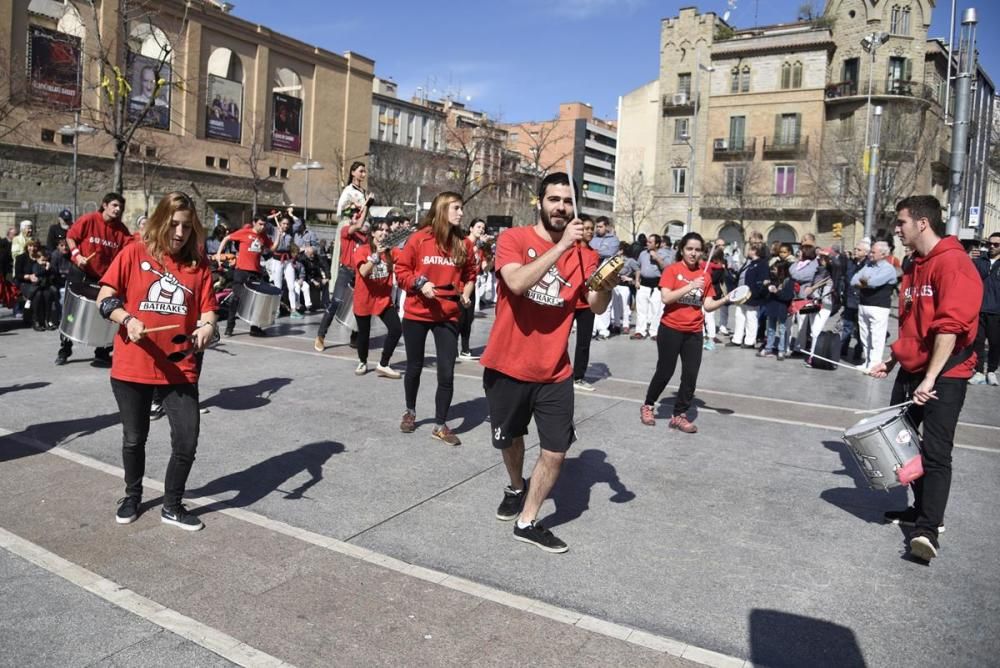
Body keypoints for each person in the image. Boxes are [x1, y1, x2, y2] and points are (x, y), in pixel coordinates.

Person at [481, 171, 614, 553]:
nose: (561, 207)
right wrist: (560, 249)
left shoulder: (586, 256)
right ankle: (516, 485)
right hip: (507, 365)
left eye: (567, 201)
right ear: (539, 201)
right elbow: (518, 283)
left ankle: (528, 520)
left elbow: (596, 307)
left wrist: (605, 283)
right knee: (511, 439)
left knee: (555, 450)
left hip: (555, 371)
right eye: (554, 199)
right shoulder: (513, 239)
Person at [97, 191, 218, 531]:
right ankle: (132, 495)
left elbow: (208, 308)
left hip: (179, 368)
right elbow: (104, 297)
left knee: (187, 441)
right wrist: (127, 319)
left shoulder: (197, 263)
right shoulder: (134, 252)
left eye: (187, 227)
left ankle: (172, 504)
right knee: (135, 438)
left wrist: (208, 326)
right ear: (162, 220)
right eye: (175, 225)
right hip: (133, 366)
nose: (180, 233)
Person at [869, 195, 981, 562]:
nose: (896, 229)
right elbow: (913, 322)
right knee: (899, 442)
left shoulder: (954, 263)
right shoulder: (914, 265)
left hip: (946, 372)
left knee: (935, 450)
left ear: (922, 223)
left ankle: (929, 529)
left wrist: (930, 378)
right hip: (914, 368)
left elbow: (950, 327)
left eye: (901, 223)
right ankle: (919, 509)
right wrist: (893, 358)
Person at [394, 192, 477, 445]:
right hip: (417, 313)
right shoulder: (419, 239)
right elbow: (401, 271)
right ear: (442, 210)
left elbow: (471, 273)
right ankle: (410, 411)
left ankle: (440, 425)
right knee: (415, 366)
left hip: (448, 315)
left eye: (461, 208)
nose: (461, 213)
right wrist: (420, 283)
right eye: (456, 208)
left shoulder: (464, 243)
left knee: (447, 373)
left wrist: (465, 292)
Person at [639, 232, 731, 433]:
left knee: (690, 375)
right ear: (682, 250)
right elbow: (666, 298)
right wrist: (690, 286)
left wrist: (726, 299)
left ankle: (679, 415)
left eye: (698, 250)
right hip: (670, 329)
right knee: (665, 371)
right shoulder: (672, 270)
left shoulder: (705, 275)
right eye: (690, 249)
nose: (693, 253)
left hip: (694, 332)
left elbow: (707, 305)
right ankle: (648, 405)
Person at [57, 193, 133, 366]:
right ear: (104, 205)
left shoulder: (121, 229)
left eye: (120, 207)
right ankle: (65, 348)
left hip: (104, 278)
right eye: (114, 205)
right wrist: (77, 255)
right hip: (80, 271)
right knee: (71, 313)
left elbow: (131, 247)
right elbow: (71, 237)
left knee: (107, 312)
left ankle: (102, 352)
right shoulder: (90, 219)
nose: (117, 209)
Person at [315, 161, 371, 350]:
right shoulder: (348, 192)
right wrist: (357, 207)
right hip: (347, 266)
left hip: (359, 270)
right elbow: (342, 211)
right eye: (360, 170)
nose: (363, 174)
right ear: (353, 172)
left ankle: (356, 335)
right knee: (336, 302)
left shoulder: (365, 232)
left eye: (365, 171)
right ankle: (321, 335)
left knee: (361, 305)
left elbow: (364, 219)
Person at [352, 220, 402, 378]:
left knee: (396, 329)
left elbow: (406, 261)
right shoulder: (362, 250)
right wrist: (376, 255)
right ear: (372, 233)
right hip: (364, 297)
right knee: (364, 333)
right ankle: (362, 361)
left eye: (387, 230)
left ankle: (383, 364)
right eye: (380, 230)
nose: (384, 233)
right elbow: (364, 272)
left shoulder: (392, 251)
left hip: (383, 299)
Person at [215, 214, 271, 337]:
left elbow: (272, 247)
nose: (262, 227)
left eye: (264, 225)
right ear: (254, 222)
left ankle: (255, 328)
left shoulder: (263, 236)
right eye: (260, 224)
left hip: (255, 272)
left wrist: (279, 235)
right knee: (236, 298)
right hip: (241, 271)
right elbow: (226, 238)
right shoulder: (244, 232)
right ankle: (229, 328)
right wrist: (219, 254)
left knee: (257, 301)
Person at [852, 240, 897, 370]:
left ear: (883, 254)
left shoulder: (888, 269)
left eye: (873, 252)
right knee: (865, 335)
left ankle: (874, 363)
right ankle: (867, 361)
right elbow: (853, 280)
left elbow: (874, 283)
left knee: (876, 336)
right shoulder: (868, 266)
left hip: (879, 306)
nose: (870, 254)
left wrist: (864, 281)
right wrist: (864, 282)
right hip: (864, 304)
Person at [572, 218, 600, 391]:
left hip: (586, 303)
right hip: (567, 301)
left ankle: (578, 377)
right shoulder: (569, 248)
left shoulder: (594, 253)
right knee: (559, 339)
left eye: (592, 229)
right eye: (586, 228)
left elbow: (590, 276)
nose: (590, 231)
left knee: (584, 342)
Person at [970, 232, 1000, 385]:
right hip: (979, 309)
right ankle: (980, 371)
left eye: (996, 244)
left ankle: (992, 371)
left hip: (996, 311)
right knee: (978, 342)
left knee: (995, 343)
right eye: (990, 244)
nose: (992, 247)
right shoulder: (979, 261)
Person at [458, 218, 490, 360]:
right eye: (478, 227)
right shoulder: (464, 242)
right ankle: (450, 347)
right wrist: (479, 246)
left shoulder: (480, 248)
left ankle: (465, 349)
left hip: (472, 286)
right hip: (459, 286)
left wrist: (491, 256)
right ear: (471, 228)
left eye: (483, 228)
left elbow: (485, 268)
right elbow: (463, 257)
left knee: (468, 319)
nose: (481, 230)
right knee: (459, 318)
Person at [729, 241, 768, 348]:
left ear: (756, 251)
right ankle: (737, 338)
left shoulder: (762, 263)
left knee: (751, 317)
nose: (748, 251)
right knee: (739, 315)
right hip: (742, 295)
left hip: (752, 296)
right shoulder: (749, 263)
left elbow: (762, 281)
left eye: (750, 249)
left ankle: (750, 341)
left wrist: (756, 292)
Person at [14, 239, 59, 330]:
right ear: (27, 247)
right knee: (38, 294)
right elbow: (18, 275)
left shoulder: (42, 257)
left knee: (47, 294)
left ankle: (47, 320)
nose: (32, 248)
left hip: (41, 283)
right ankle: (36, 321)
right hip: (25, 283)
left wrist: (48, 267)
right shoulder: (21, 258)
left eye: (35, 246)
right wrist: (29, 276)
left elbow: (50, 272)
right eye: (30, 246)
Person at [633, 234, 668, 340]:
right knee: (641, 309)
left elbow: (666, 268)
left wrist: (657, 257)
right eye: (647, 242)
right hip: (643, 284)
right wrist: (637, 280)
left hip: (657, 285)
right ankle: (640, 331)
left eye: (650, 242)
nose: (647, 243)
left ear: (657, 244)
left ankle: (654, 332)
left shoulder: (663, 254)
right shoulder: (643, 253)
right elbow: (638, 267)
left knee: (656, 310)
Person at [758, 261, 794, 359]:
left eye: (774, 269)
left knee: (782, 329)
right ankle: (769, 348)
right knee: (770, 329)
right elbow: (762, 293)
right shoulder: (772, 280)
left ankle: (781, 350)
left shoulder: (788, 281)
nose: (772, 271)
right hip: (771, 307)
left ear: (781, 270)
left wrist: (777, 291)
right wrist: (765, 286)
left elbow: (788, 296)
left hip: (781, 308)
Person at [589, 216, 618, 339]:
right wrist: (598, 251)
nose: (597, 229)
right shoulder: (593, 238)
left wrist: (594, 252)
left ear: (606, 227)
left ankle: (603, 330)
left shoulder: (614, 240)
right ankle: (592, 329)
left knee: (604, 304)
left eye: (600, 226)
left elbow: (609, 253)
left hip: (605, 275)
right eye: (597, 226)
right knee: (591, 302)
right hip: (592, 274)